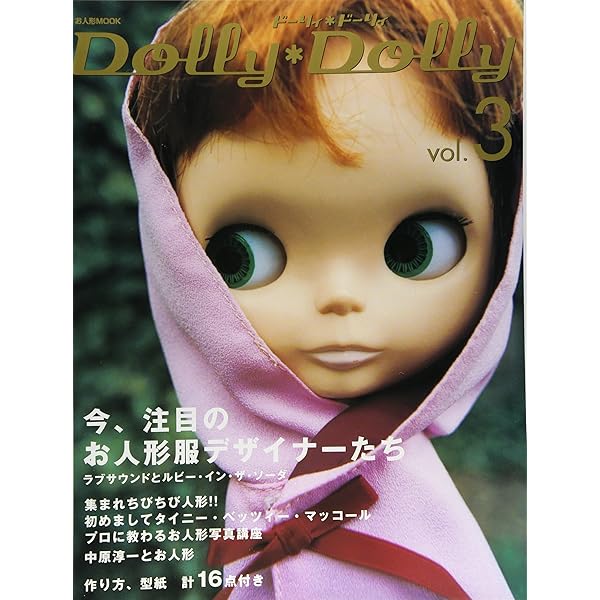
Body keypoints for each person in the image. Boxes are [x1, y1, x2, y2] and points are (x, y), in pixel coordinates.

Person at [124, 0, 523, 597]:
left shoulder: (403, 503)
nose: (340, 298)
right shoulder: (258, 471)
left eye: (415, 247)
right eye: (241, 253)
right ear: (172, 246)